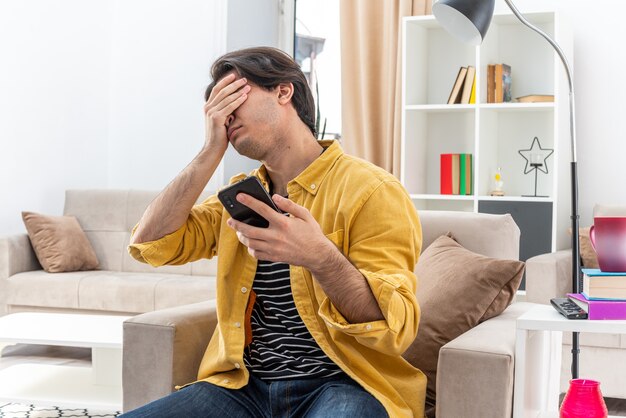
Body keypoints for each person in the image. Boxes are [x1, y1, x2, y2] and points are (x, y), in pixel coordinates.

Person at [123, 46, 426, 418]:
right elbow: (149, 244)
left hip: (344, 384)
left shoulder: (372, 190)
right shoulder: (241, 196)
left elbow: (397, 326)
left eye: (233, 96)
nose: (225, 115)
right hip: (243, 387)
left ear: (283, 92)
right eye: (216, 108)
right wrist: (208, 151)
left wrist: (319, 256)